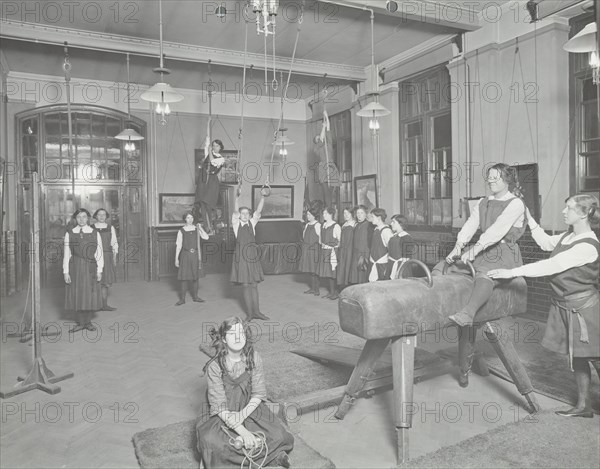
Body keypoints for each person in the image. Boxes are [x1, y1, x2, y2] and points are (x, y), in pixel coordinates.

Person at [489, 194, 599, 418]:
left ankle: (584, 405)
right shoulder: (567, 237)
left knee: (597, 357)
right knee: (578, 357)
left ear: (584, 213)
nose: (563, 212)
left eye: (569, 208)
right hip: (565, 306)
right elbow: (544, 242)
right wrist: (528, 216)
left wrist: (511, 272)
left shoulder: (588, 245)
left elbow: (552, 265)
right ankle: (583, 406)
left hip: (584, 309)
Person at [196, 317, 294, 468]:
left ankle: (275, 457)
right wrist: (243, 432)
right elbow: (219, 406)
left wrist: (241, 415)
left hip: (249, 407)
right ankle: (266, 458)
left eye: (241, 333)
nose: (237, 337)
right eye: (232, 333)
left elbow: (258, 394)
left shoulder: (254, 357)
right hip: (224, 413)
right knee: (212, 442)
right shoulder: (214, 366)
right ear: (223, 338)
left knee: (278, 435)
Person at [443, 163, 527, 327]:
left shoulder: (515, 203)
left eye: (496, 178)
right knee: (445, 266)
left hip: (504, 251)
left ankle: (468, 313)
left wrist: (475, 250)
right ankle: (443, 305)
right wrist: (458, 246)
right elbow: (470, 224)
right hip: (484, 248)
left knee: (485, 274)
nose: (491, 181)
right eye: (489, 178)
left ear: (507, 179)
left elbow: (497, 231)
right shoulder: (483, 202)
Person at [63, 208, 103, 333]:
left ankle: (88, 322)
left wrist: (99, 270)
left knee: (90, 293)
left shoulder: (95, 233)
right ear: (75, 218)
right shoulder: (70, 233)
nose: (81, 219)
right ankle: (80, 323)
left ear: (88, 218)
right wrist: (66, 271)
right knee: (78, 293)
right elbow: (66, 254)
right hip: (75, 266)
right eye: (79, 217)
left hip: (91, 266)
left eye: (84, 217)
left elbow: (99, 253)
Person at [231, 190, 269, 321]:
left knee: (254, 285)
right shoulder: (236, 224)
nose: (245, 215)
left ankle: (257, 312)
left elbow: (258, 211)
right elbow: (235, 212)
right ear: (239, 216)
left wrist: (263, 197)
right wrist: (237, 197)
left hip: (252, 256)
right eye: (243, 213)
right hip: (241, 257)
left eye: (247, 213)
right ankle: (250, 314)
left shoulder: (252, 223)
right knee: (246, 285)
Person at [175, 212, 209, 306]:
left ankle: (196, 297)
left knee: (195, 277)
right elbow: (178, 246)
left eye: (192, 217)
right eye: (188, 218)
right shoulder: (181, 230)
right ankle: (182, 299)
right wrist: (176, 259)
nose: (190, 219)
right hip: (185, 255)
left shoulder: (197, 229)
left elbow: (206, 237)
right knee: (184, 278)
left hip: (195, 256)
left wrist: (200, 228)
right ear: (185, 219)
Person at [196, 138, 225, 234]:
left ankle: (211, 226)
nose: (214, 147)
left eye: (217, 145)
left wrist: (209, 151)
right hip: (203, 180)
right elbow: (206, 149)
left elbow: (212, 161)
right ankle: (207, 226)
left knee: (208, 203)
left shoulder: (221, 158)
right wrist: (208, 146)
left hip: (211, 181)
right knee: (202, 204)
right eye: (213, 145)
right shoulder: (209, 153)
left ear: (220, 147)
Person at [92, 208, 118, 311]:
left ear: (106, 217)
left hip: (107, 256)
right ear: (96, 216)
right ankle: (95, 305)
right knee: (94, 282)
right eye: (99, 214)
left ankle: (104, 305)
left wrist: (114, 258)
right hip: (94, 257)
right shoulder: (91, 228)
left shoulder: (110, 227)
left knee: (105, 282)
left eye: (103, 215)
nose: (101, 216)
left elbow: (114, 243)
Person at [318, 207, 341, 300]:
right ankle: (331, 292)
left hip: (332, 251)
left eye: (325, 213)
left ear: (331, 214)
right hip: (324, 251)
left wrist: (332, 247)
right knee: (327, 272)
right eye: (323, 213)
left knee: (332, 272)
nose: (323, 215)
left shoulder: (336, 226)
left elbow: (339, 240)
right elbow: (320, 239)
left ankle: (334, 292)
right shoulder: (323, 225)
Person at [299, 205, 322, 296]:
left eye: (309, 215)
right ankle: (312, 288)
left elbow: (321, 239)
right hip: (306, 249)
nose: (307, 216)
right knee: (309, 269)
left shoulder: (318, 225)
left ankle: (316, 289)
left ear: (314, 215)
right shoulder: (307, 225)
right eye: (307, 214)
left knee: (314, 270)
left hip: (314, 250)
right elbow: (304, 237)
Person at [386, 214, 417, 280]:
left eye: (393, 222)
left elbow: (406, 259)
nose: (391, 224)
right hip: (391, 266)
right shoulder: (394, 236)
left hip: (401, 269)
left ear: (400, 224)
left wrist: (398, 272)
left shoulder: (406, 238)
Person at [348, 205, 372, 285]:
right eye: (358, 213)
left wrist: (366, 254)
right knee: (356, 276)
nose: (359, 215)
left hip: (364, 254)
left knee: (363, 276)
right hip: (356, 253)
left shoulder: (369, 225)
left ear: (366, 214)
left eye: (361, 213)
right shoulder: (356, 225)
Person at [368, 208, 393, 282]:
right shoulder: (376, 229)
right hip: (373, 261)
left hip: (382, 264)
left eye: (372, 217)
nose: (371, 219)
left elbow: (391, 248)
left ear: (378, 218)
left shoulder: (386, 231)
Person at [336, 207, 356, 293]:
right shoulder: (344, 225)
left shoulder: (355, 224)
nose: (346, 215)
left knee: (349, 268)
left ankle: (350, 291)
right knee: (342, 268)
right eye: (344, 213)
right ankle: (342, 289)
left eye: (348, 213)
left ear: (352, 214)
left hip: (350, 250)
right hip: (343, 249)